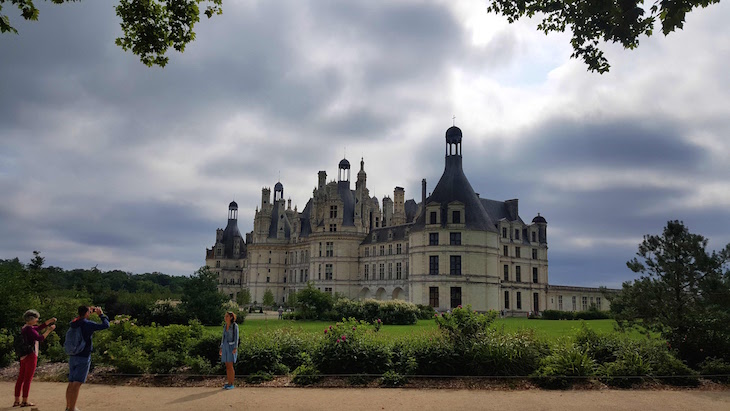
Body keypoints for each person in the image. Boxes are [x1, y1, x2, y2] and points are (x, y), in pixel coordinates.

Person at [66, 306, 109, 411]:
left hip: (73, 355)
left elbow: (78, 319)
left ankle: (68, 406)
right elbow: (106, 325)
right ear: (86, 313)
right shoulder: (88, 324)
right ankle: (72, 408)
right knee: (77, 383)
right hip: (83, 356)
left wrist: (86, 311)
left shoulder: (74, 323)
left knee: (71, 382)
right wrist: (101, 314)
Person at [13, 309, 56, 408]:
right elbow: (40, 338)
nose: (37, 320)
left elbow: (39, 327)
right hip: (31, 355)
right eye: (36, 318)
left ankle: (16, 400)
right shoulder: (30, 329)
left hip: (23, 355)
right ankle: (25, 400)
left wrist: (49, 321)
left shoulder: (25, 328)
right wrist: (49, 330)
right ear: (32, 319)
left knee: (21, 378)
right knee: (28, 379)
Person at [219, 311, 239, 390]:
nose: (225, 318)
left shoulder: (235, 326)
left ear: (231, 317)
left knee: (230, 365)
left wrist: (235, 347)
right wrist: (221, 347)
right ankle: (229, 382)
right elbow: (223, 337)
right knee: (227, 365)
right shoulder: (225, 326)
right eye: (225, 316)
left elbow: (236, 337)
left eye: (227, 316)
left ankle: (232, 383)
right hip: (225, 346)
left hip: (231, 346)